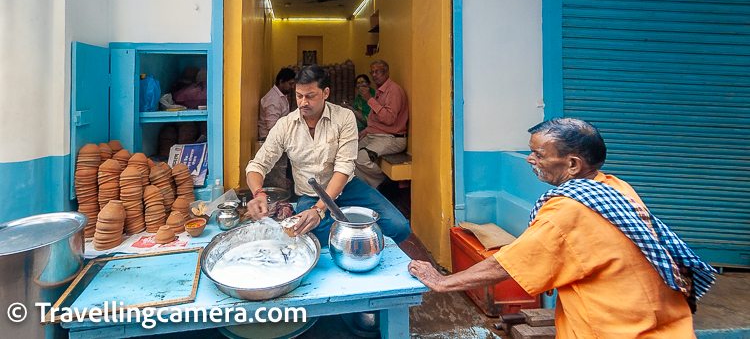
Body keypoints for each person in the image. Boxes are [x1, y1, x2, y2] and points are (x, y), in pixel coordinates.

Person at [408, 118, 715, 338]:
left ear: (572, 165)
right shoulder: (613, 187)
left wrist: (442, 282)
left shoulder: (567, 211)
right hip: (669, 323)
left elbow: (509, 264)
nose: (530, 159)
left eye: (539, 154)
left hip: (614, 328)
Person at [245, 65, 411, 247]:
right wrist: (258, 193)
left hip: (347, 188)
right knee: (312, 231)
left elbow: (344, 169)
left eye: (310, 96)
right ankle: (357, 239)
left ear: (325, 93)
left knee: (399, 226)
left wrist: (319, 210)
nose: (303, 102)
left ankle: (359, 238)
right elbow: (257, 165)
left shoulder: (344, 118)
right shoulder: (285, 125)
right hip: (310, 195)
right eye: (299, 96)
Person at [354, 60, 408, 188]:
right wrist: (364, 132)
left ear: (387, 72)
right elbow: (375, 121)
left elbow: (389, 119)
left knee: (361, 159)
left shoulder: (393, 91)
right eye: (372, 72)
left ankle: (386, 185)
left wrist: (370, 100)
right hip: (375, 135)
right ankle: (370, 189)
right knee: (349, 155)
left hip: (392, 137)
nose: (374, 75)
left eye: (378, 71)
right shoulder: (379, 92)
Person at [258, 68, 296, 139]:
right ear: (281, 82)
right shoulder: (273, 99)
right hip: (269, 140)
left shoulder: (281, 96)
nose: (292, 87)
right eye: (290, 84)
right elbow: (272, 128)